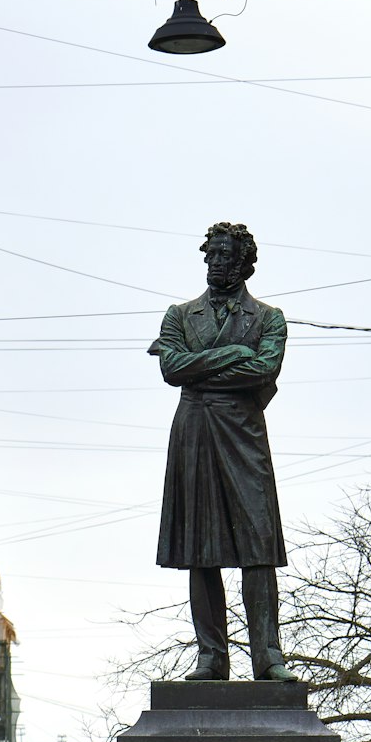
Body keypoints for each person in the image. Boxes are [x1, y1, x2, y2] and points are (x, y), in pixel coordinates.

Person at [149, 221, 295, 683]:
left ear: (245, 262)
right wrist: (234, 354)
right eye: (211, 254)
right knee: (201, 547)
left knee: (258, 545)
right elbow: (172, 369)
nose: (216, 262)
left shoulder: (269, 318)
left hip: (243, 432)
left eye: (226, 255)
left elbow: (265, 367)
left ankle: (267, 656)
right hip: (194, 432)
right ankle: (211, 656)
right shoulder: (179, 314)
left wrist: (203, 367)